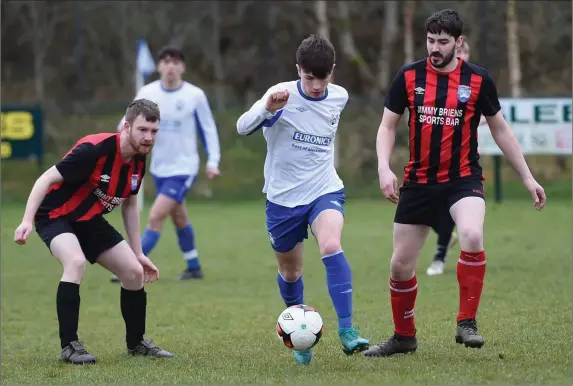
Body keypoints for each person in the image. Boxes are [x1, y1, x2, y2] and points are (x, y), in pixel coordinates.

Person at [363, 9, 546, 357]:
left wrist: (527, 177)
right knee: (400, 266)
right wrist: (383, 167)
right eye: (431, 40)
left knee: (472, 235)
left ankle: (467, 322)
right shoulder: (409, 76)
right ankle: (404, 337)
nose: (435, 47)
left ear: (459, 43)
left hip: (463, 178)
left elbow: (500, 129)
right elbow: (387, 127)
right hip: (417, 181)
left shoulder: (478, 80)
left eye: (443, 41)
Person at [236, 34, 369, 365]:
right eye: (308, 77)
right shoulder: (279, 96)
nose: (315, 85)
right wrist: (268, 109)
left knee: (330, 245)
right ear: (298, 70)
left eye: (321, 77)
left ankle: (348, 331)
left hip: (324, 189)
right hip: (282, 200)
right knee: (291, 272)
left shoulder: (339, 96)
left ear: (332, 71)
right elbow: (242, 127)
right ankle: (300, 336)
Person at [13, 99, 175, 364]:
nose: (148, 137)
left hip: (88, 220)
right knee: (75, 262)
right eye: (143, 130)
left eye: (154, 131)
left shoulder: (138, 160)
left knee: (134, 272)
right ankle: (69, 346)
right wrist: (26, 221)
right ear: (127, 126)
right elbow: (45, 179)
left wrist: (139, 252)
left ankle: (137, 344)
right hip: (55, 214)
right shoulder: (94, 150)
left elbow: (130, 203)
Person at [110, 46, 221, 283]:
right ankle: (194, 266)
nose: (171, 66)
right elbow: (125, 125)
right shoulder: (148, 92)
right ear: (159, 66)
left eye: (176, 62)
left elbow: (208, 129)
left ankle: (130, 266)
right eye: (166, 61)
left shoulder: (194, 95)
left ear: (182, 67)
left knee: (155, 216)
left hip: (184, 168)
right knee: (179, 217)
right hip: (159, 168)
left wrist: (213, 161)